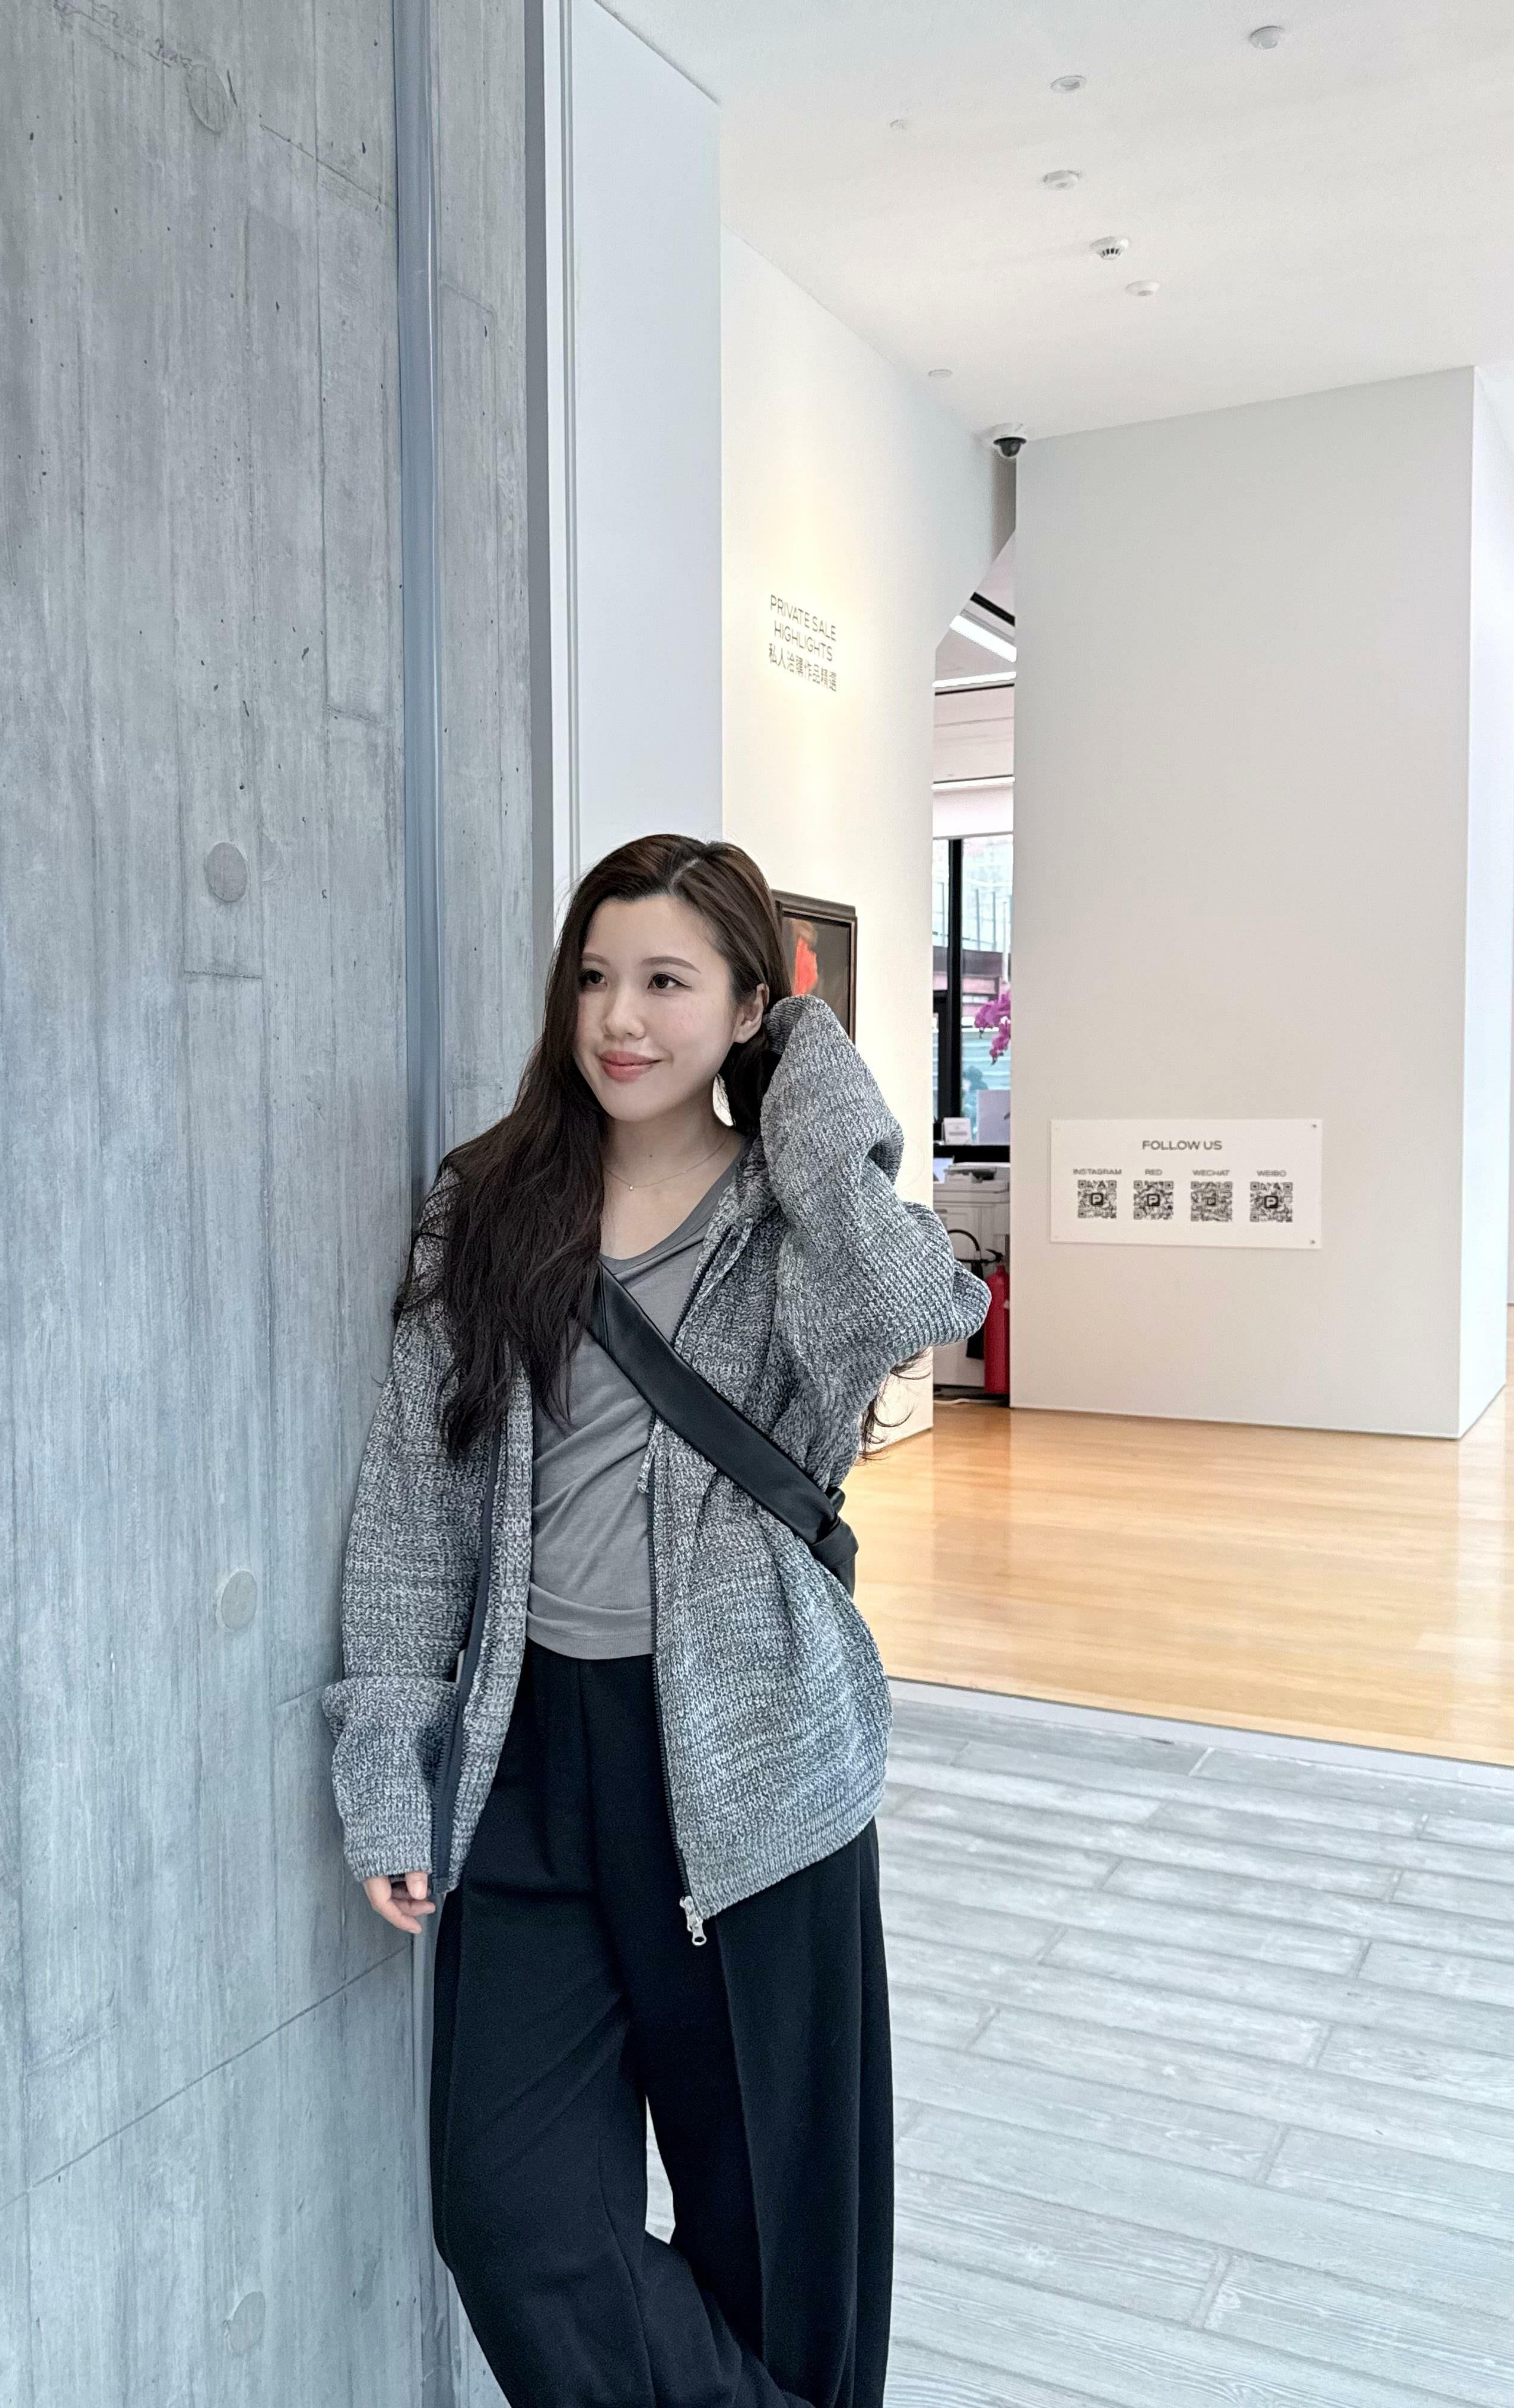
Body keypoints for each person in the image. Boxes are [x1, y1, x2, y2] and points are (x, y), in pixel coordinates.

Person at [323, 834, 990, 2408]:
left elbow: (915, 1313)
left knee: (780, 2254)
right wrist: (386, 1757)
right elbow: (417, 1501)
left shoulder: (794, 1222)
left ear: (750, 1006)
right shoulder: (489, 1204)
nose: (620, 1019)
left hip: (755, 1773)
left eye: (669, 983)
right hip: (535, 1759)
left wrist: (810, 1093)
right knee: (510, 2216)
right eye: (596, 978)